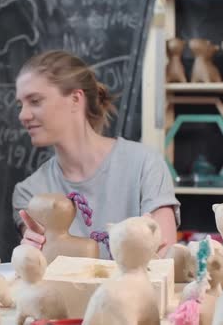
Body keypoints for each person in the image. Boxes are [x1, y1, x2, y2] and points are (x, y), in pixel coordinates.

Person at [12, 50, 179, 258]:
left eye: (35, 101)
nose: (23, 115)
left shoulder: (145, 165)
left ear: (75, 98)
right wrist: (31, 255)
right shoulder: (29, 193)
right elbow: (46, 275)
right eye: (21, 105)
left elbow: (164, 261)